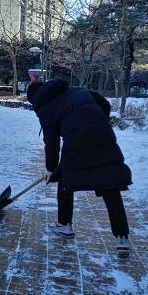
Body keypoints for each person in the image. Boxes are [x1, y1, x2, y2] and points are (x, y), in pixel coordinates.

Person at [26, 73, 132, 258]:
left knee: (65, 180)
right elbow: (103, 102)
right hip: (103, 136)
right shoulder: (74, 90)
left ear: (34, 98)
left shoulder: (44, 107)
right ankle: (122, 238)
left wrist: (51, 168)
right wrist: (99, 122)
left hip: (76, 140)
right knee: (110, 184)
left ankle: (65, 226)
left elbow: (51, 143)